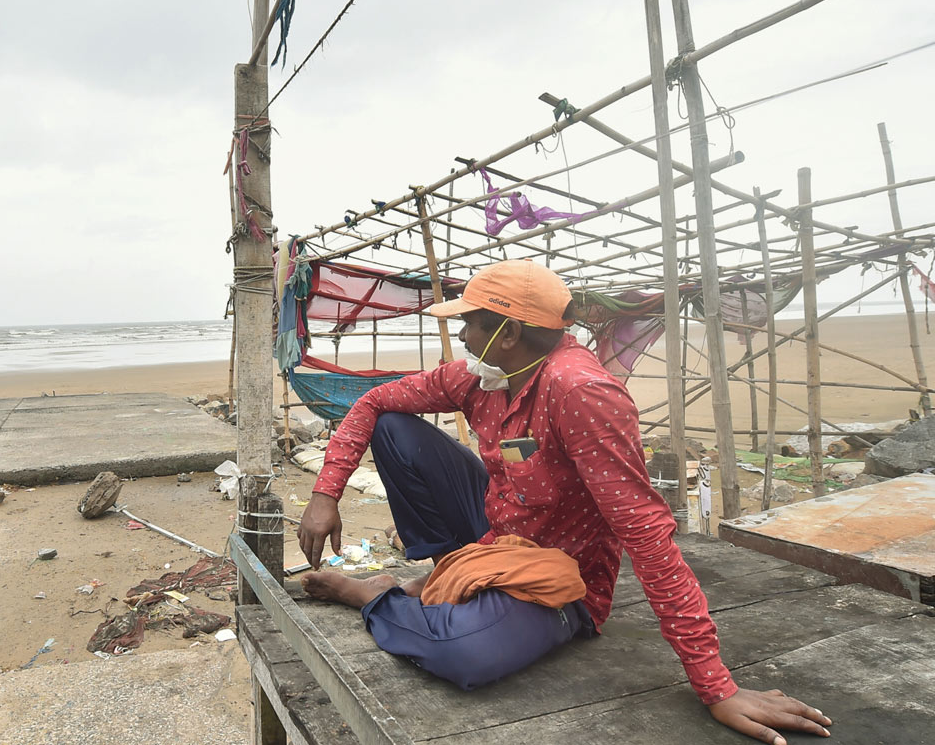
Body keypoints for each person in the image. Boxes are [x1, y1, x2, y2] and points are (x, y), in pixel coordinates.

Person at [298, 259, 832, 745]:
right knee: (394, 426)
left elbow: (646, 534)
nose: (461, 335)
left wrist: (717, 686)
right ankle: (450, 577)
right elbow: (372, 401)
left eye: (472, 324)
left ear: (507, 334)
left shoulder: (579, 392)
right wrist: (326, 494)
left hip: (560, 580)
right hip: (495, 534)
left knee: (460, 656)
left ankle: (377, 595)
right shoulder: (483, 376)